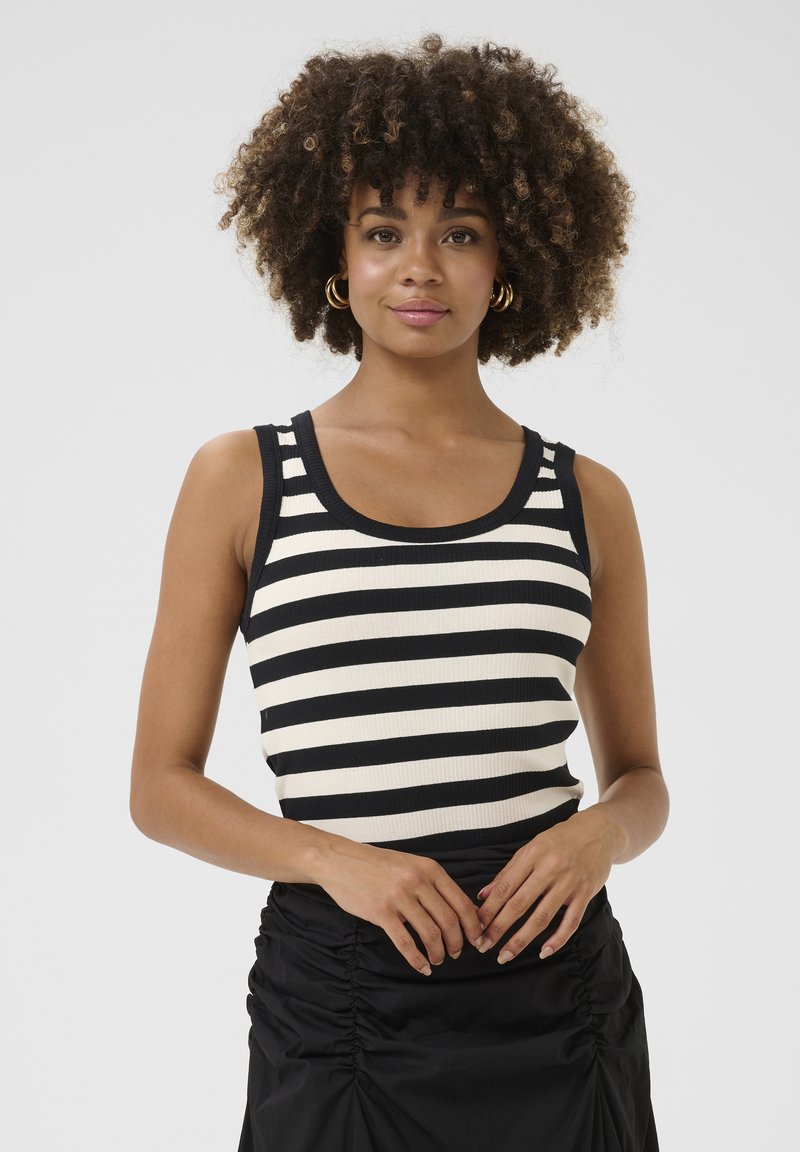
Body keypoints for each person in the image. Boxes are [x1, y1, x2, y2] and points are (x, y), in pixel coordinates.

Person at [130, 32, 669, 1152]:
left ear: (510, 260)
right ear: (333, 256)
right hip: (342, 1008)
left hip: (558, 1003)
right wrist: (332, 859)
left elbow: (641, 779)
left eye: (459, 233)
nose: (419, 267)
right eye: (383, 231)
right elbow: (159, 787)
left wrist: (599, 838)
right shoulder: (244, 479)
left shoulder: (586, 498)